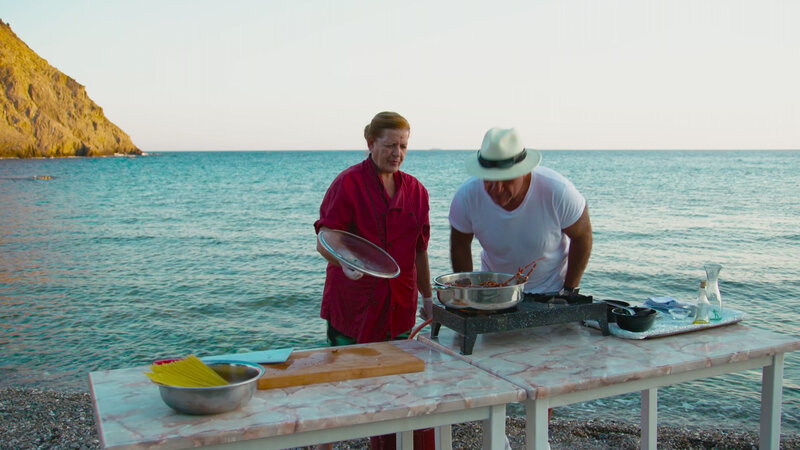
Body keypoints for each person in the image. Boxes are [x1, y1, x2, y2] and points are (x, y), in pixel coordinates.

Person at [314, 111, 434, 450]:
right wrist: (342, 262)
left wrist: (428, 299)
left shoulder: (417, 192)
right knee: (339, 385)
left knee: (394, 388)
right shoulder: (348, 183)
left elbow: (420, 250)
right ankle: (323, 444)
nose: (397, 153)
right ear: (370, 143)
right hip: (353, 306)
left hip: (400, 306)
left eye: (403, 146)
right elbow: (325, 239)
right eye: (390, 145)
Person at [449, 127, 592, 296]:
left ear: (524, 171)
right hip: (494, 290)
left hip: (550, 292)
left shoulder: (558, 191)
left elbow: (582, 236)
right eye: (489, 179)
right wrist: (466, 291)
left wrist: (569, 290)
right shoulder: (466, 196)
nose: (497, 189)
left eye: (506, 179)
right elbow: (460, 244)